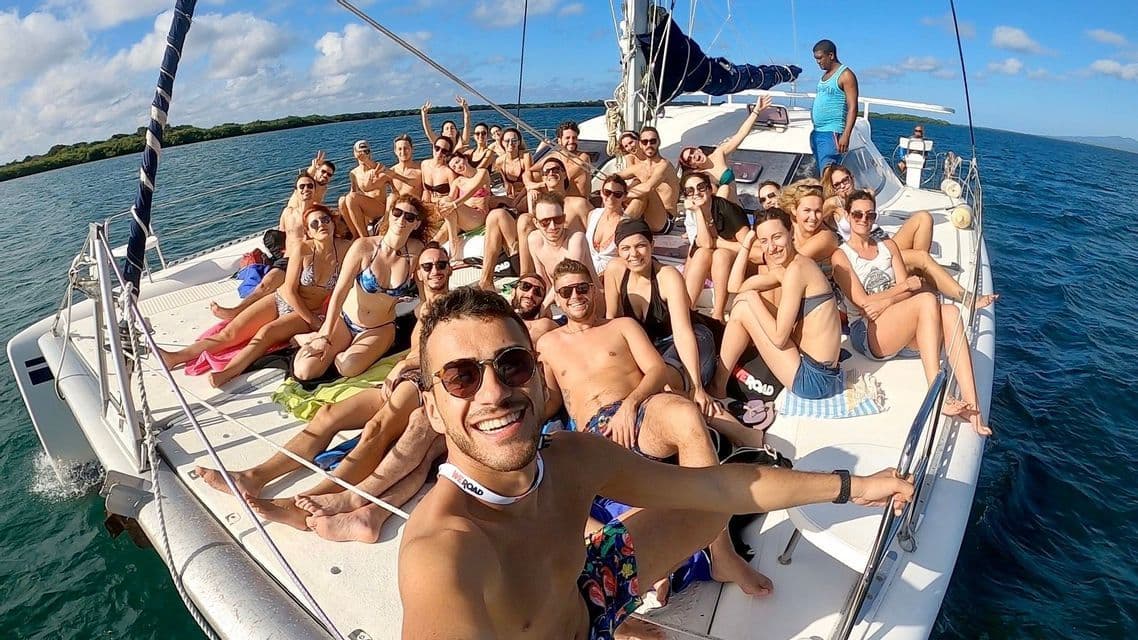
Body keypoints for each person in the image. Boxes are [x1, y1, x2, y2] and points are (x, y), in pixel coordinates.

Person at [399, 286, 914, 639]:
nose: (494, 392)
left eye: (511, 365)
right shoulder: (444, 549)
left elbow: (718, 488)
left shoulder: (571, 459)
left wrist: (854, 486)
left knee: (705, 506)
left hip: (585, 599)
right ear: (433, 410)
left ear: (536, 377)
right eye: (461, 378)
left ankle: (663, 593)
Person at [538, 260, 774, 599]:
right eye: (566, 291)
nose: (575, 296)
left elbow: (657, 370)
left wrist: (631, 404)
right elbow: (549, 403)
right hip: (594, 433)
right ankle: (656, 563)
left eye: (582, 287)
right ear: (557, 298)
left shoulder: (621, 326)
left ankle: (723, 554)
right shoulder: (548, 345)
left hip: (639, 410)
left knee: (684, 414)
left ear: (594, 287)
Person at [206, 246, 455, 541]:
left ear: (450, 268)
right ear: (418, 275)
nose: (435, 271)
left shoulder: (452, 306)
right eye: (428, 267)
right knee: (328, 415)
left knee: (377, 429)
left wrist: (403, 364)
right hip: (403, 377)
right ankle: (253, 477)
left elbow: (444, 356)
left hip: (424, 382)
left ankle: (306, 503)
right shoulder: (422, 308)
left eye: (441, 264)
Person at [830, 190, 991, 435]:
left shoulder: (888, 246)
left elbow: (908, 291)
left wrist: (887, 301)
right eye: (858, 214)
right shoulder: (841, 257)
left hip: (895, 323)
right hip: (866, 332)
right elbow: (864, 303)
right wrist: (900, 289)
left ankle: (973, 407)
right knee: (926, 299)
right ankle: (934, 390)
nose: (864, 219)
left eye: (870, 214)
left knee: (949, 312)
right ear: (849, 217)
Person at [160, 205, 350, 388]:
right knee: (229, 333)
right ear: (308, 231)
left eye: (325, 220)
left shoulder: (347, 249)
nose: (321, 225)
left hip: (307, 310)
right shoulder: (303, 249)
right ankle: (175, 357)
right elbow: (290, 290)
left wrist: (315, 319)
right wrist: (315, 323)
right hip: (283, 300)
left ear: (333, 223)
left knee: (266, 333)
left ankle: (227, 373)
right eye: (314, 223)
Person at [292, 195, 429, 381]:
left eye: (409, 217)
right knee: (305, 371)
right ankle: (308, 337)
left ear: (416, 224)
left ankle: (341, 351)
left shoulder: (416, 251)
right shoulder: (364, 247)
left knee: (347, 367)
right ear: (389, 215)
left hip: (379, 328)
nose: (401, 220)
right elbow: (339, 292)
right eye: (397, 213)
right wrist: (325, 334)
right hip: (345, 321)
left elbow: (425, 294)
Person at [712, 208, 844, 400]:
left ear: (791, 233)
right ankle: (721, 380)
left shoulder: (797, 270)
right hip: (817, 368)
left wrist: (752, 298)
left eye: (777, 237)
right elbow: (734, 287)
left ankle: (718, 385)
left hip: (813, 379)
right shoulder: (791, 267)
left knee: (743, 306)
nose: (772, 247)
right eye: (764, 241)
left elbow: (779, 339)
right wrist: (747, 244)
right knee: (743, 302)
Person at [823, 166, 997, 308]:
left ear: (851, 177)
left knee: (924, 217)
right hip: (866, 252)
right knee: (920, 256)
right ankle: (965, 298)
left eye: (845, 180)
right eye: (837, 184)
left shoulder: (865, 194)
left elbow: (870, 205)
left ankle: (919, 272)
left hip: (882, 241)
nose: (843, 186)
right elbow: (818, 215)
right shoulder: (835, 205)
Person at [604, 220, 726, 420]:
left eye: (640, 246)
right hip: (650, 347)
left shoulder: (667, 276)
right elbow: (612, 321)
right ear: (618, 251)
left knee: (661, 384)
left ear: (652, 245)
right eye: (625, 248)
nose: (633, 254)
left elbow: (683, 332)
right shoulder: (615, 271)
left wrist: (697, 387)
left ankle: (699, 407)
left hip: (691, 340)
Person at [680, 171, 750, 321]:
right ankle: (687, 310)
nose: (696, 193)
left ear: (710, 189)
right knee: (702, 253)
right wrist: (698, 211)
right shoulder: (693, 211)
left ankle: (718, 315)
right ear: (685, 196)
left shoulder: (727, 209)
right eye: (690, 191)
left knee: (720, 254)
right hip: (715, 265)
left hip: (740, 262)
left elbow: (749, 246)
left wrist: (719, 243)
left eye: (701, 187)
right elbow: (703, 244)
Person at [677, 96, 772, 203]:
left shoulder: (719, 154)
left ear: (698, 150)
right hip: (723, 214)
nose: (693, 156)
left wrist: (756, 111)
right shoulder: (701, 176)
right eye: (690, 159)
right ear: (693, 166)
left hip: (737, 208)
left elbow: (741, 134)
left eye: (692, 152)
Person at [518, 157, 593, 274]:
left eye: (556, 170)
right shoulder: (541, 206)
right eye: (546, 172)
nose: (551, 173)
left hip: (575, 262)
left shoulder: (578, 203)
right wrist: (531, 188)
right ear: (543, 178)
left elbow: (594, 233)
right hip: (548, 260)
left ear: (564, 174)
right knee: (523, 219)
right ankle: (525, 276)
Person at [526, 191, 596, 308]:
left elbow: (567, 278)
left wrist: (542, 307)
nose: (552, 226)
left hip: (587, 302)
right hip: (560, 302)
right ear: (536, 223)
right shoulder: (534, 239)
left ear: (564, 218)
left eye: (558, 220)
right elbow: (543, 281)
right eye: (545, 222)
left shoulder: (576, 239)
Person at [615, 126, 680, 234]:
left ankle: (619, 229)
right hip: (644, 217)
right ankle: (618, 227)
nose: (649, 145)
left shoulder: (664, 165)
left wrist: (620, 196)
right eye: (645, 142)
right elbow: (614, 177)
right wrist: (610, 191)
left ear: (658, 142)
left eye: (652, 141)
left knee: (646, 191)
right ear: (641, 144)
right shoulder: (639, 167)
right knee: (637, 193)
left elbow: (648, 187)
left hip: (664, 220)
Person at [435, 152, 499, 260]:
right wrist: (441, 208)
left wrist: (454, 204)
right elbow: (448, 201)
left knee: (448, 203)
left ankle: (453, 244)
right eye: (454, 167)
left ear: (464, 158)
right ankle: (421, 258)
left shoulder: (482, 173)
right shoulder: (457, 182)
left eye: (458, 162)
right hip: (461, 218)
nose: (458, 167)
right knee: (437, 238)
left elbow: (473, 190)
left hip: (478, 216)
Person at [810, 39, 859, 174]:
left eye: (820, 58)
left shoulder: (845, 75)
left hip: (832, 132)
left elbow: (853, 107)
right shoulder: (825, 75)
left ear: (830, 55)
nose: (818, 62)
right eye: (816, 59)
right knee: (822, 172)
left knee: (829, 174)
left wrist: (846, 135)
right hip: (818, 131)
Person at [339, 140, 387, 239]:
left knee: (351, 198)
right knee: (342, 201)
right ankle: (355, 235)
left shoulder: (377, 167)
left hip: (380, 209)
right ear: (355, 153)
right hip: (367, 212)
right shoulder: (354, 173)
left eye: (366, 152)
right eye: (360, 152)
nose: (363, 155)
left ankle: (364, 238)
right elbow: (353, 192)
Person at [535, 121, 592, 197]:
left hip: (578, 203)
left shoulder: (583, 158)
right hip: (561, 202)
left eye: (574, 138)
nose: (571, 141)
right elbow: (530, 171)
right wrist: (530, 185)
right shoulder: (555, 156)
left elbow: (565, 177)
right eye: (567, 138)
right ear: (559, 140)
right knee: (531, 190)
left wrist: (538, 185)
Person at [585, 175, 628, 276]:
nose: (611, 198)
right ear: (601, 192)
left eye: (617, 194)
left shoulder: (626, 224)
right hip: (586, 272)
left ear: (624, 196)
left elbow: (624, 260)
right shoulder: (593, 214)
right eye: (607, 192)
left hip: (610, 276)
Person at [509, 273, 559, 343]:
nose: (530, 295)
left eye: (538, 292)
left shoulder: (545, 326)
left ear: (542, 301)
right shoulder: (498, 317)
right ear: (513, 292)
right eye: (525, 286)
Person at [420, 134, 457, 207]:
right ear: (433, 148)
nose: (439, 153)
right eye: (437, 148)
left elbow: (454, 197)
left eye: (444, 151)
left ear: (448, 153)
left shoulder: (449, 172)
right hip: (428, 205)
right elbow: (425, 190)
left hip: (443, 207)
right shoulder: (424, 164)